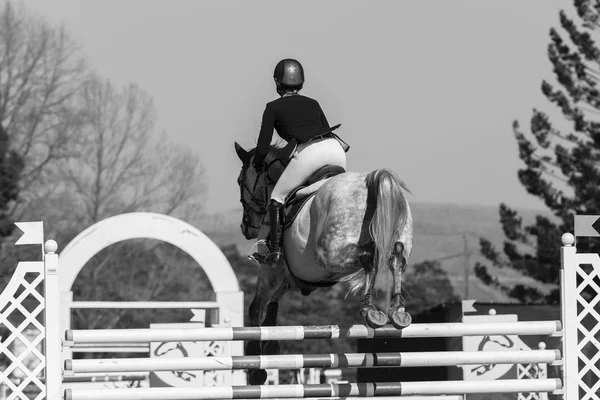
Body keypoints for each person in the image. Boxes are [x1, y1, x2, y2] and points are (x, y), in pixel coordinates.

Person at [252, 58, 349, 266]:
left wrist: (258, 163)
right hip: (336, 150)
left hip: (310, 153)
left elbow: (262, 147)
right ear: (301, 83)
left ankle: (275, 253)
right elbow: (321, 130)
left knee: (277, 197)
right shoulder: (313, 103)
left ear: (278, 83)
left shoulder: (272, 107)